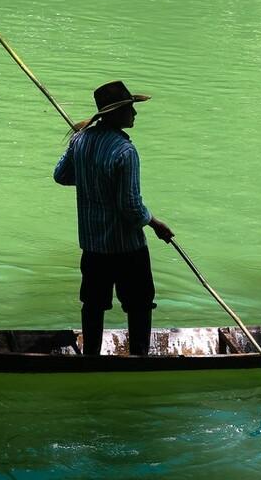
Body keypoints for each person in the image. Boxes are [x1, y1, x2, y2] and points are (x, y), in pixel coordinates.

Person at [53, 80, 174, 356]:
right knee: (139, 303)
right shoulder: (125, 151)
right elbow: (131, 208)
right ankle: (139, 358)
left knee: (93, 304)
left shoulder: (80, 140)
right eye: (130, 108)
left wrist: (89, 175)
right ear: (116, 114)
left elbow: (61, 176)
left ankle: (90, 358)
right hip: (126, 247)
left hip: (93, 245)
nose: (134, 113)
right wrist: (155, 224)